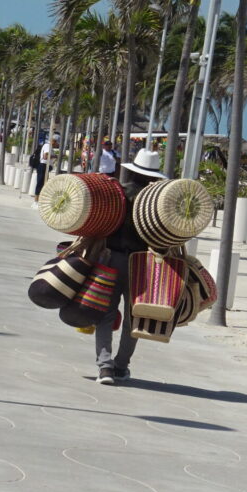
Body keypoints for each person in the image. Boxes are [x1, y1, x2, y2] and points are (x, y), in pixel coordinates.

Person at [95, 148, 165, 384]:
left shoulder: (118, 195)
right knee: (133, 318)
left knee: (106, 314)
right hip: (141, 264)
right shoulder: (156, 203)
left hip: (111, 259)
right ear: (154, 177)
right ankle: (121, 366)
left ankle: (104, 367)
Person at [34, 133, 59, 204]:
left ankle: (39, 200)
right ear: (53, 141)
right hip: (43, 166)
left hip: (45, 166)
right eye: (56, 142)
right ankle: (36, 201)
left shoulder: (48, 146)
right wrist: (55, 156)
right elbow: (45, 156)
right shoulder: (48, 146)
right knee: (40, 183)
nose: (56, 144)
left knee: (43, 184)